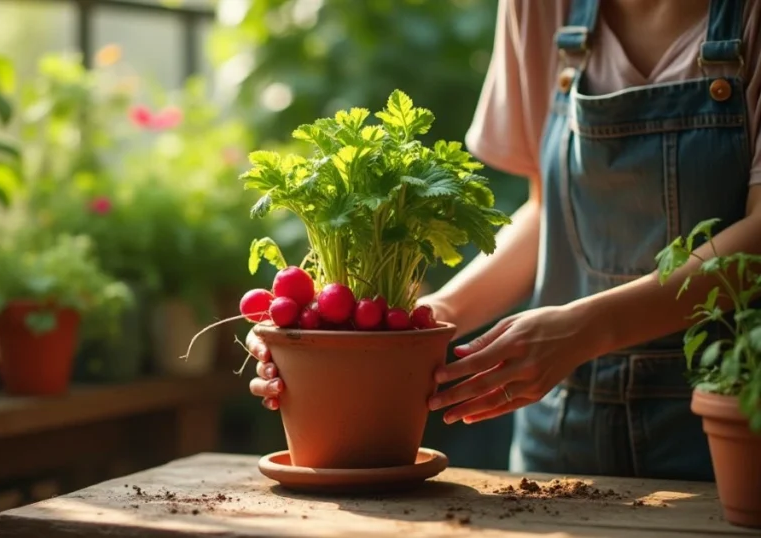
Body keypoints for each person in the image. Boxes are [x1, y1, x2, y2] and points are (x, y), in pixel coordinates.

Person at [245, 0, 761, 481]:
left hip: (726, 416)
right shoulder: (540, 7)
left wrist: (589, 329)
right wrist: (421, 320)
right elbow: (547, 212)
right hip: (559, 418)